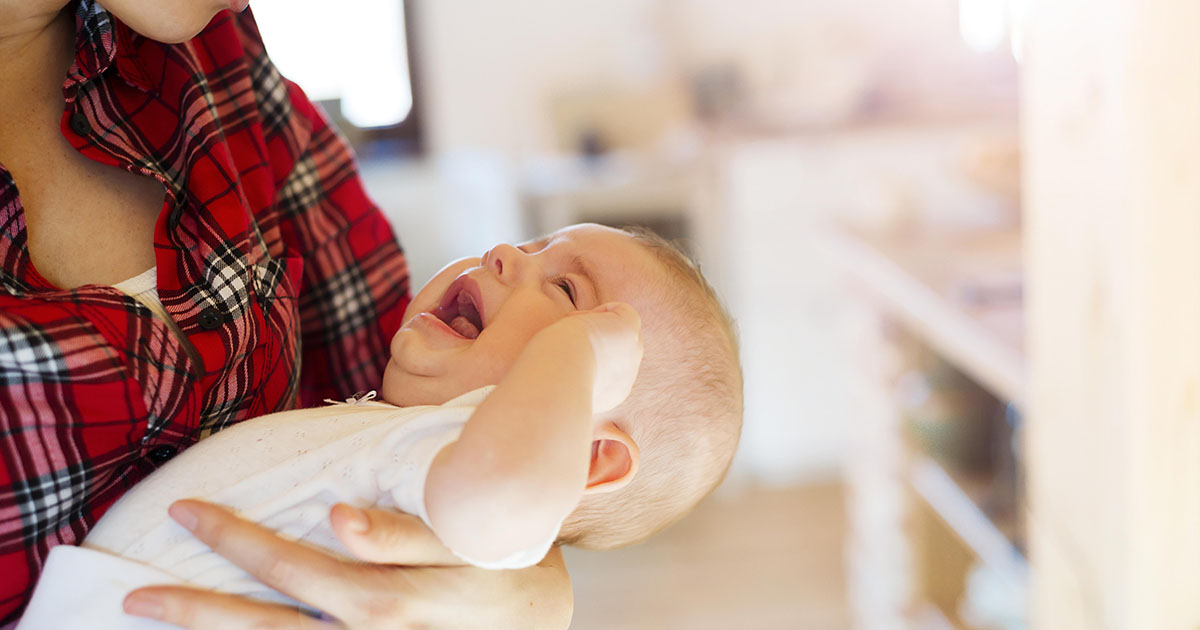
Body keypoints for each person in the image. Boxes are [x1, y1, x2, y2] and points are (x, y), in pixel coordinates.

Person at [0, 0, 571, 627]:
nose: (504, 255)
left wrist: (531, 583)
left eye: (570, 289)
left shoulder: (215, 57)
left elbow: (402, 394)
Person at [16, 223, 745, 629]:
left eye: (563, 287)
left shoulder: (458, 451)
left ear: (587, 459)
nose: (501, 252)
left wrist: (573, 350)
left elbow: (502, 494)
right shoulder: (406, 440)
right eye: (529, 244)